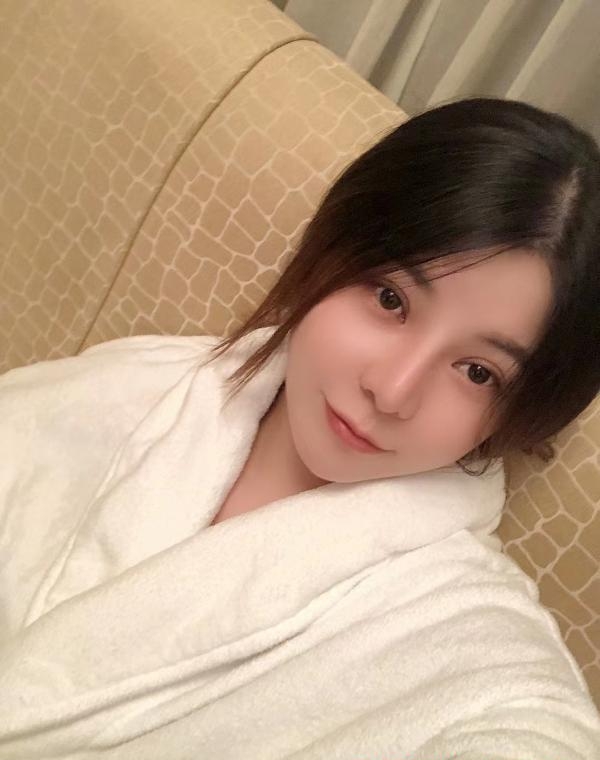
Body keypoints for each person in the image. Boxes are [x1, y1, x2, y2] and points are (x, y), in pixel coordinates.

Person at [0, 97, 599, 759]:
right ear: (331, 248)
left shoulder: (465, 636)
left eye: (478, 372)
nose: (392, 390)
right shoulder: (146, 377)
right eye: (391, 298)